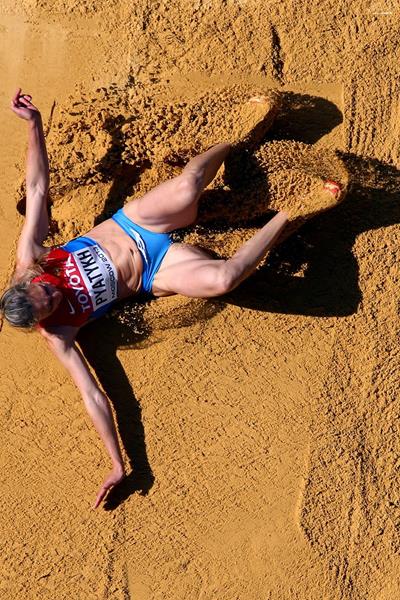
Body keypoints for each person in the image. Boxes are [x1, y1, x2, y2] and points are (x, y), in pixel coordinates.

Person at [1, 88, 342, 509]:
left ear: (28, 281)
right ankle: (292, 212)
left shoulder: (32, 259)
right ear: (42, 319)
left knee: (188, 185)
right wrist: (118, 463)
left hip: (134, 226)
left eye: (44, 288)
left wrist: (34, 124)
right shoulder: (59, 333)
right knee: (223, 278)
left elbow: (36, 189)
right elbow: (94, 395)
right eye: (49, 303)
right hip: (154, 271)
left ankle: (236, 137)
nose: (54, 292)